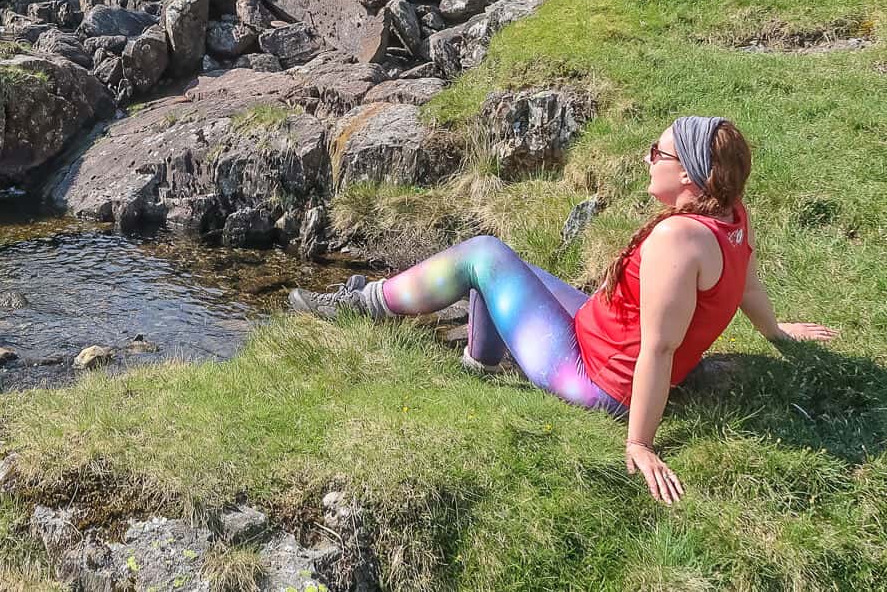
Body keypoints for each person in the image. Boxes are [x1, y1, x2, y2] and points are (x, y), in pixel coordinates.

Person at [287, 116, 839, 504]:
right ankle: (477, 366)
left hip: (595, 379)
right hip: (597, 334)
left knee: (483, 253)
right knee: (503, 264)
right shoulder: (732, 216)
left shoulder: (680, 240)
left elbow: (660, 347)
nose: (648, 158)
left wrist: (640, 444)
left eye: (659, 152)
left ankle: (359, 306)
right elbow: (746, 287)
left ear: (691, 176)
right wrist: (778, 332)